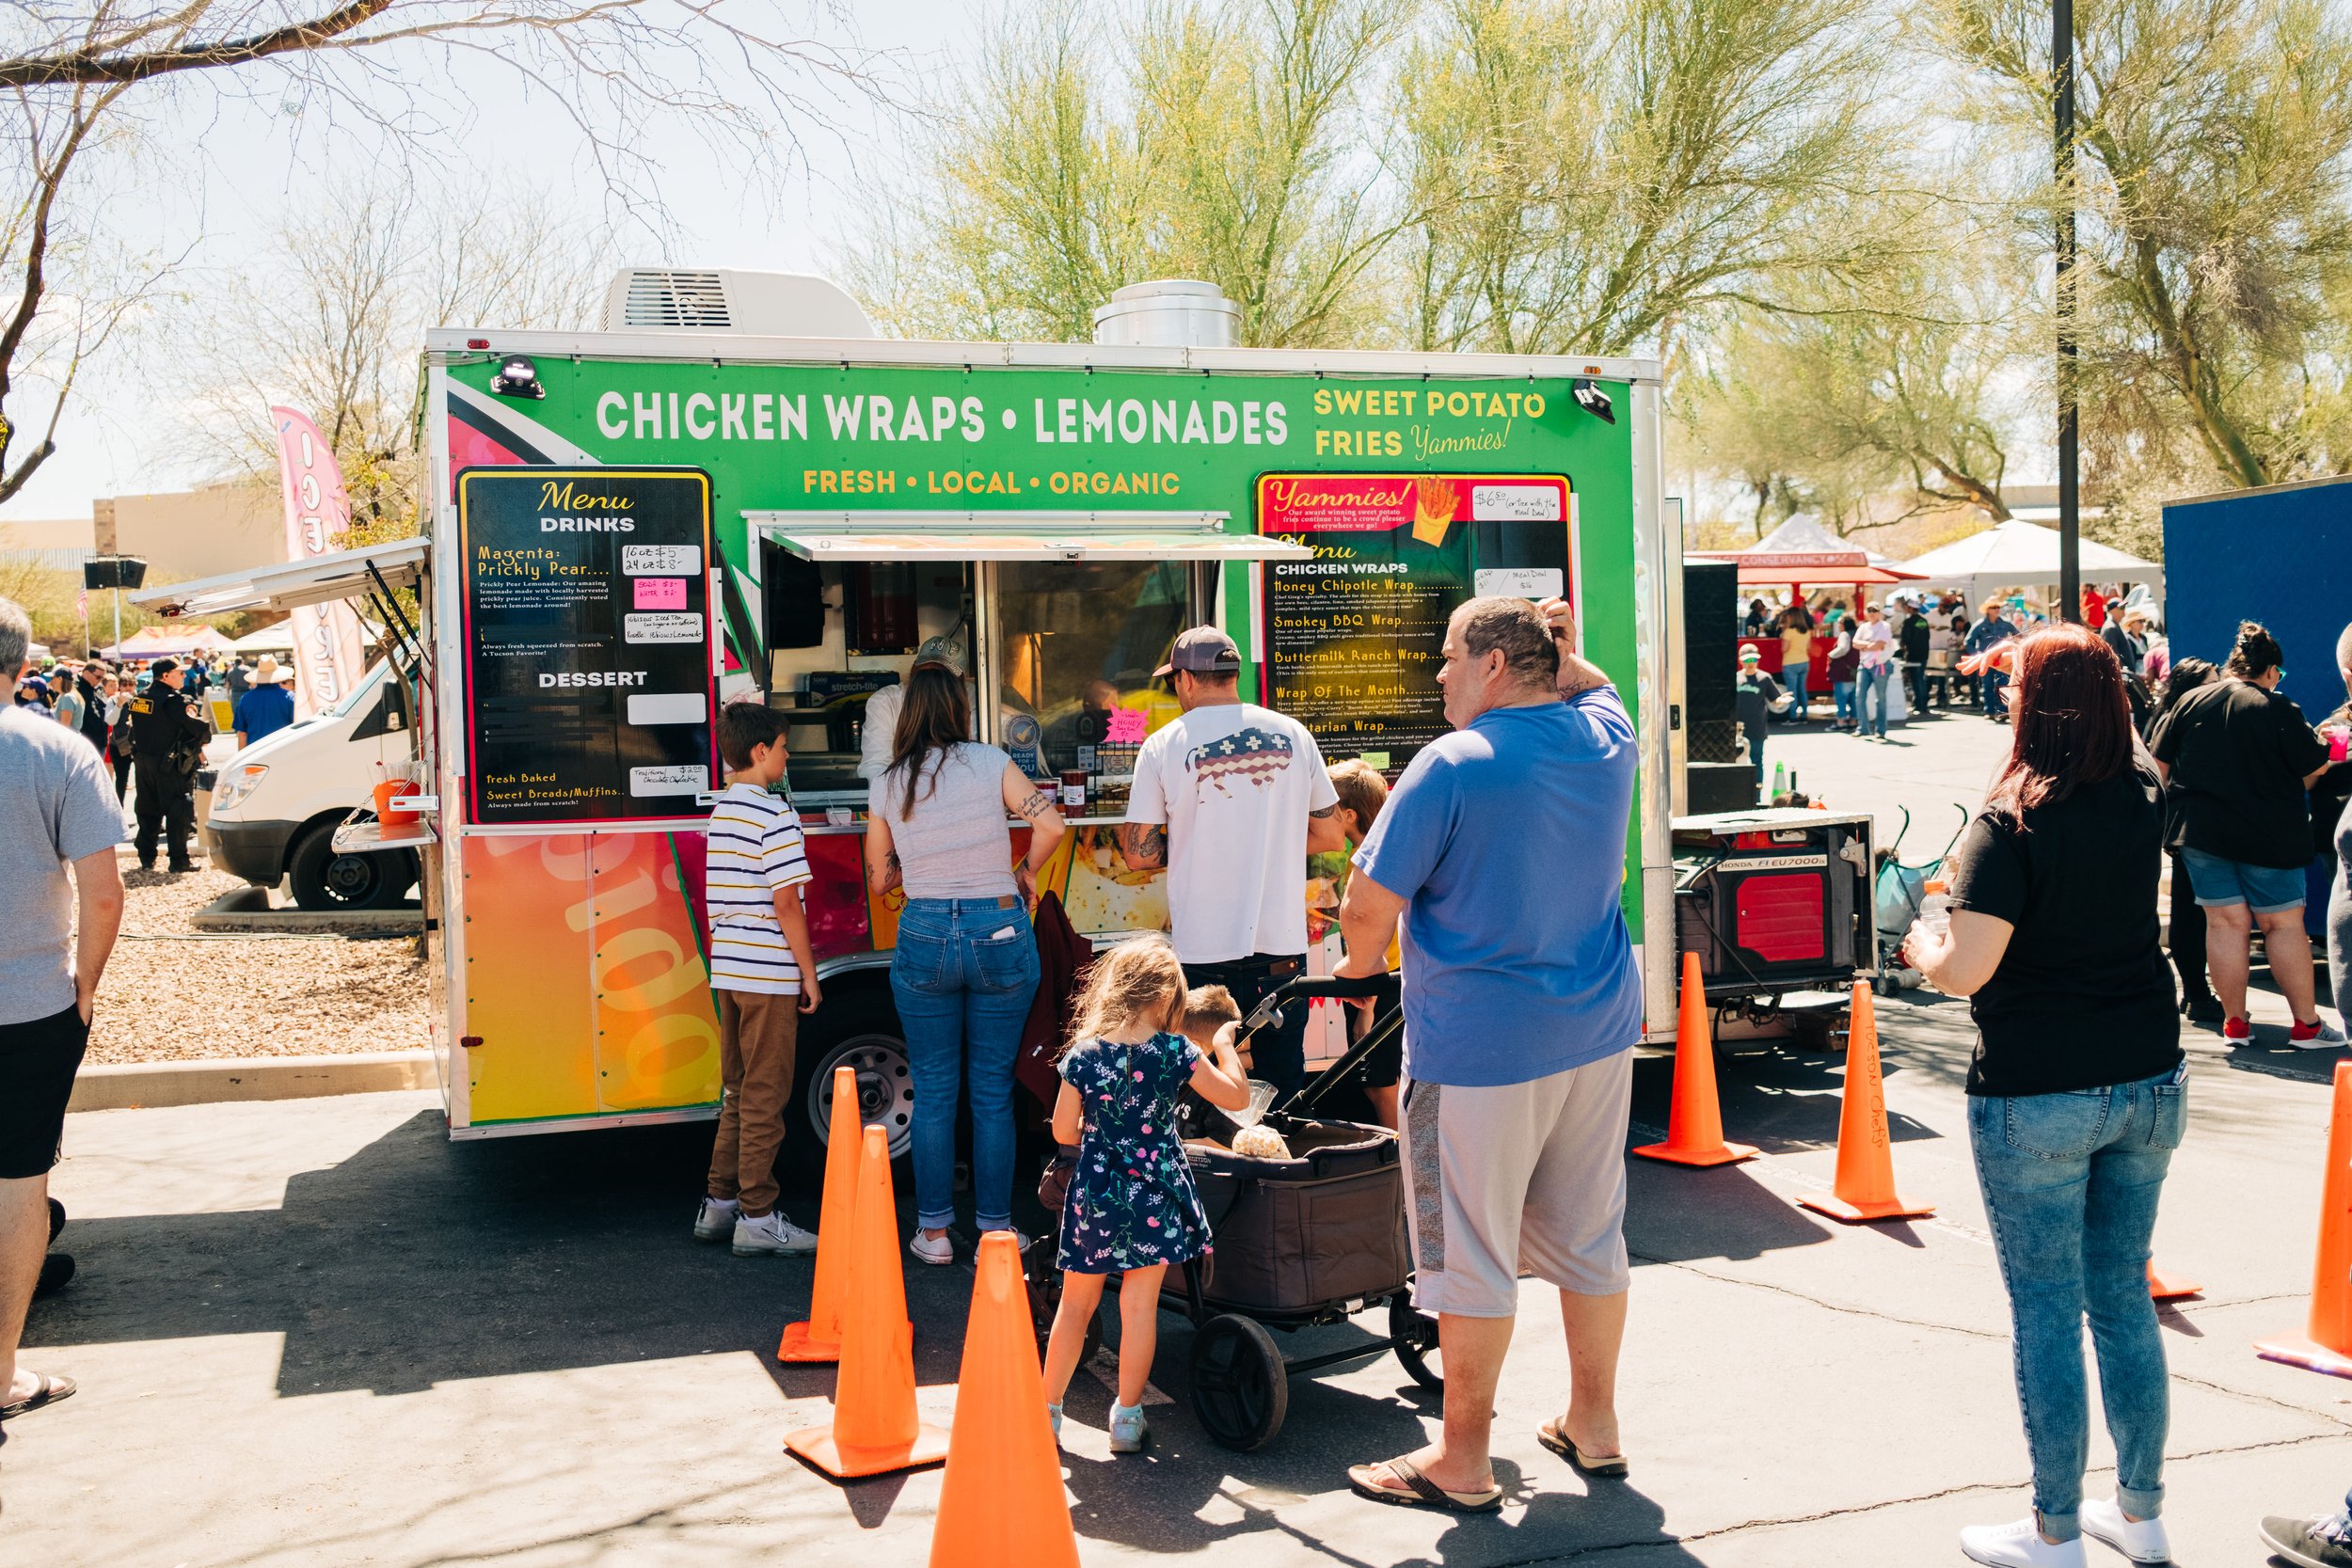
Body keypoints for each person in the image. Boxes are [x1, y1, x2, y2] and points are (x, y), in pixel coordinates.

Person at [1336, 595, 1641, 1514]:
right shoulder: (1604, 735)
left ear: (1494, 667)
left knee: (1465, 1246)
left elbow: (1363, 908)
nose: (1438, 673)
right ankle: (1594, 1421)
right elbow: (1600, 685)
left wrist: (1356, 968)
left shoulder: (1450, 765)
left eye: (1449, 656)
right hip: (1592, 1031)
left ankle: (1460, 1461)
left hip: (1476, 1050)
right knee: (1589, 1232)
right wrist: (1562, 646)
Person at [1904, 623, 2183, 1568]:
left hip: (2039, 1090)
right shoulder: (2142, 793)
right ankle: (2138, 1514)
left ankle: (2055, 1528)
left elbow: (1967, 966)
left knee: (2045, 1308)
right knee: (2120, 1297)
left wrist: (1920, 945)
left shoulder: (2008, 820)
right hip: (2147, 1071)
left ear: (2031, 705)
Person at [863, 661, 1066, 1264]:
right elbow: (1050, 823)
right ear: (959, 709)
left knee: (932, 1090)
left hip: (924, 927)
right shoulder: (990, 762)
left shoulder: (889, 781)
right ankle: (995, 1235)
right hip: (999, 926)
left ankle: (932, 1235)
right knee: (991, 1093)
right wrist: (1024, 872)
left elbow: (879, 881)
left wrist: (913, 861)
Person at [1041, 936, 1250, 1453]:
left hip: (1098, 1194)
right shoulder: (1176, 1050)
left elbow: (1064, 1133)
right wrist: (1223, 1045)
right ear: (1169, 998)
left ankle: (1046, 1413)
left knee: (1075, 1305)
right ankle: (1127, 1420)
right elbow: (1239, 1099)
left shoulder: (1084, 1056)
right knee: (1140, 1309)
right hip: (1156, 1193)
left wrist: (1101, 1127)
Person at [1118, 626, 1345, 1099]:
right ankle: (1280, 1165)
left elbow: (1138, 855)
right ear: (1233, 674)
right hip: (1280, 949)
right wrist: (1267, 844)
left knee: (1201, 1083)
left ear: (1185, 679)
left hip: (1204, 951)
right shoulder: (1293, 733)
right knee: (1283, 1080)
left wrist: (1196, 842)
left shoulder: (1163, 746)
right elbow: (1329, 834)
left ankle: (1217, 1169)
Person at [0, 596, 126, 1426]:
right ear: (19, 665)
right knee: (19, 1181)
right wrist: (83, 982)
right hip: (31, 1002)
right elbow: (105, 894)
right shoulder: (58, 750)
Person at [2148, 621, 2343, 1047]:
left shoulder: (2190, 701)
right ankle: (2306, 1027)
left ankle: (2234, 1024)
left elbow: (2156, 770)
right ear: (2271, 670)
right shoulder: (2277, 708)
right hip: (2269, 836)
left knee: (2224, 924)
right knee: (2282, 925)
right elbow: (2313, 767)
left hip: (2199, 834)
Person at [691, 700, 823, 1259]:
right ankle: (759, 1215)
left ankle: (719, 1205)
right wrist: (809, 974)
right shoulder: (776, 815)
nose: (789, 756)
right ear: (761, 750)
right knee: (767, 1095)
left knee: (739, 1092)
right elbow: (787, 903)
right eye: (785, 746)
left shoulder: (723, 813)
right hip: (768, 970)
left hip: (729, 969)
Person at [1318, 757, 1400, 1126]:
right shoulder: (1392, 846)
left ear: (1349, 816)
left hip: (1381, 985)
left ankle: (1395, 1172)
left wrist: (1366, 1006)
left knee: (1381, 1086)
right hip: (1389, 981)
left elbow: (1374, 926)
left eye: (1325, 808)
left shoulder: (1367, 860)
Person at [2149, 658, 2223, 1023]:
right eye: (2211, 682)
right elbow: (2158, 775)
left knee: (2191, 911)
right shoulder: (2176, 720)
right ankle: (2196, 991)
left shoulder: (2173, 717)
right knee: (2191, 914)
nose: (2218, 688)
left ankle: (2195, 990)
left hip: (2181, 825)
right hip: (2185, 825)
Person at [126, 656, 209, 874]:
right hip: (170, 765)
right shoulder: (174, 701)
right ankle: (179, 860)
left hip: (144, 763)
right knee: (179, 810)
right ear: (165, 676)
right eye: (179, 673)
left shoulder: (140, 698)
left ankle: (146, 857)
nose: (184, 676)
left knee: (147, 809)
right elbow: (199, 729)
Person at [1734, 644, 1790, 800]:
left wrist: (1782, 700)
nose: (1751, 663)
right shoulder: (1736, 678)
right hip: (1737, 728)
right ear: (1741, 661)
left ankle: (1756, 795)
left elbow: (1775, 700)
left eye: (1754, 660)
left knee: (1757, 761)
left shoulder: (1764, 678)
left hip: (1756, 727)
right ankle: (1738, 794)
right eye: (1747, 660)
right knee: (1736, 761)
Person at [1966, 600, 2020, 720]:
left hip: (2002, 660)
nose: (1997, 609)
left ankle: (2003, 711)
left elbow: (2019, 636)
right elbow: (1968, 642)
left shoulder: (2006, 623)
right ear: (1987, 610)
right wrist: (1978, 656)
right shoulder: (1979, 624)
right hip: (1987, 661)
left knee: (2003, 685)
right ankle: (1989, 711)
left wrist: (2012, 649)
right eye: (1993, 607)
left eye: (1998, 607)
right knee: (1987, 686)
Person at [1852, 602, 1897, 740]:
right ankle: (1863, 727)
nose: (1872, 613)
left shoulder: (1884, 626)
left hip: (1880, 665)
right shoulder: (1863, 626)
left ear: (1880, 612)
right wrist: (1870, 645)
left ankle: (1881, 730)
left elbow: (1879, 645)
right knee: (1859, 696)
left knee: (1880, 698)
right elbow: (1855, 643)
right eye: (1869, 610)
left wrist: (1865, 645)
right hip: (1864, 664)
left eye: (1875, 610)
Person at [233, 657, 296, 750]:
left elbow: (242, 733)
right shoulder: (289, 697)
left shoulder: (245, 699)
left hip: (255, 753)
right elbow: (297, 727)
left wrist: (242, 759)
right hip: (283, 750)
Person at [1777, 608, 1813, 723]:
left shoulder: (1789, 632)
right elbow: (1808, 647)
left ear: (1791, 617)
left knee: (1792, 690)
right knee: (1802, 689)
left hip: (1790, 662)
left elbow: (1784, 649)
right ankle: (1804, 715)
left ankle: (1793, 717)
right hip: (1804, 662)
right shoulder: (1807, 631)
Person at [1899, 596, 1933, 711]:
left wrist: (1903, 648)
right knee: (1920, 678)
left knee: (1916, 679)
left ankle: (1920, 705)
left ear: (1909, 608)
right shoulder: (1923, 621)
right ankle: (1923, 703)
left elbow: (1905, 639)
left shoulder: (1908, 622)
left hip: (1913, 654)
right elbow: (1927, 637)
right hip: (1924, 654)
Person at [1826, 615, 1860, 732]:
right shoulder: (1857, 634)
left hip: (1842, 672)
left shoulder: (1845, 635)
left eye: (1840, 623)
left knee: (1841, 698)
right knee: (1853, 699)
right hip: (1854, 672)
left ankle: (1840, 722)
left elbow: (1843, 649)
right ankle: (1853, 721)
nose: (1838, 625)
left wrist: (1831, 654)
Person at [103, 674, 134, 802]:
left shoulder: (139, 700)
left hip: (138, 744)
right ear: (120, 687)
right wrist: (119, 705)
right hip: (119, 745)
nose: (127, 688)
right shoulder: (114, 700)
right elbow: (110, 721)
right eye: (124, 685)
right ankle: (119, 809)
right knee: (121, 779)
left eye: (130, 685)